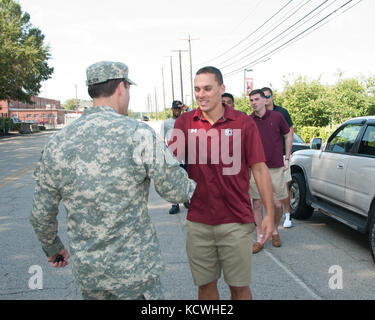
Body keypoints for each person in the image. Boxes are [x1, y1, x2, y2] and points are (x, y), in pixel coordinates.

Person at [29, 61, 196, 300]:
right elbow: (177, 191)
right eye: (128, 89)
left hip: (91, 276)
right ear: (122, 87)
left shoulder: (58, 142)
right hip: (135, 274)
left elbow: (40, 214)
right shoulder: (138, 134)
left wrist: (53, 248)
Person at [168, 66, 275, 300]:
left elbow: (259, 168)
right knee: (205, 287)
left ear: (221, 89)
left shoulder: (244, 123)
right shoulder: (185, 122)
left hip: (236, 220)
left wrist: (269, 213)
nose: (201, 94)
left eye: (207, 88)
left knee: (239, 287)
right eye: (197, 89)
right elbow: (169, 165)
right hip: (199, 221)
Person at [249, 89, 292, 254]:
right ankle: (260, 237)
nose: (254, 102)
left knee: (276, 204)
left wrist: (286, 158)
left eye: (257, 99)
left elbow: (288, 135)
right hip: (255, 168)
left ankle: (274, 230)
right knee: (258, 203)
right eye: (251, 100)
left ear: (264, 100)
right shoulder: (248, 120)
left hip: (275, 167)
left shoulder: (277, 117)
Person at [261, 87, 294, 228]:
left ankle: (288, 215)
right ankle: (270, 217)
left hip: (280, 156)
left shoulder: (282, 112)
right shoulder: (258, 114)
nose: (266, 99)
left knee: (284, 185)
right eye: (264, 97)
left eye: (268, 96)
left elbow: (289, 134)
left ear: (272, 96)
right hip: (264, 158)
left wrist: (287, 157)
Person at [160, 100, 189, 214]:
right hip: (172, 155)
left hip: (185, 155)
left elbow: (198, 115)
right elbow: (162, 138)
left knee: (185, 179)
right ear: (172, 109)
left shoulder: (186, 121)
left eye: (179, 109)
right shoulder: (167, 123)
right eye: (175, 109)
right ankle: (174, 204)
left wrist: (187, 108)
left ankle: (186, 200)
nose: (177, 111)